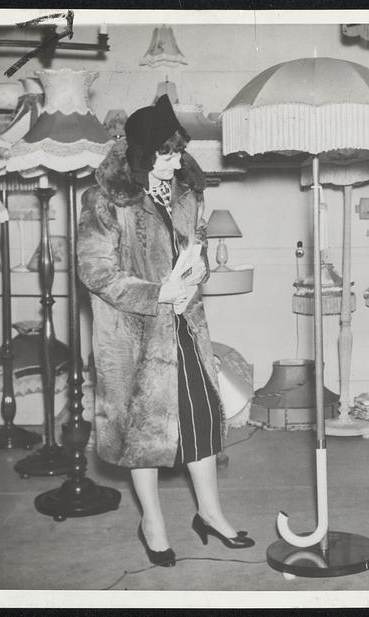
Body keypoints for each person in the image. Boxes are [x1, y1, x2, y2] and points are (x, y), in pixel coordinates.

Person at [78, 95, 254, 568]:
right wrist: (157, 293)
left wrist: (196, 277)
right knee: (145, 431)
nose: (177, 163)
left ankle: (211, 514)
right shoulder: (103, 200)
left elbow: (194, 253)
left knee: (200, 420)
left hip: (184, 328)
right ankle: (152, 522)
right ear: (140, 153)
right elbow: (96, 272)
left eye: (178, 153)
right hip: (133, 336)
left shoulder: (186, 193)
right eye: (166, 154)